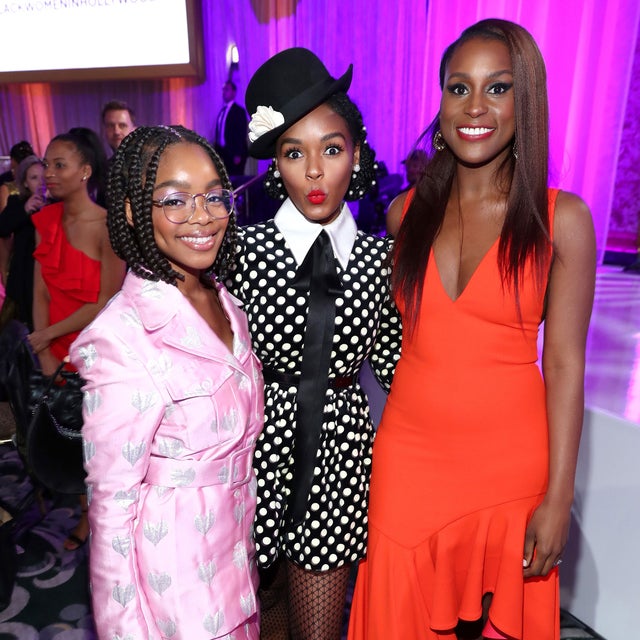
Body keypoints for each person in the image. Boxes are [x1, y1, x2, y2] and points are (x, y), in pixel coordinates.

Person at [349, 19, 596, 640]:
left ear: (526, 100)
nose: (476, 107)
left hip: (509, 469)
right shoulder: (404, 212)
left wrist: (559, 496)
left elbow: (565, 364)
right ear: (440, 101)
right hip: (408, 456)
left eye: (498, 88)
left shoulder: (561, 219)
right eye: (459, 88)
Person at [228, 48, 401, 639]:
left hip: (339, 464)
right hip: (248, 456)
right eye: (293, 152)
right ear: (274, 164)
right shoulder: (240, 256)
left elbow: (403, 371)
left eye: (331, 148)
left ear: (356, 152)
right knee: (253, 620)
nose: (313, 171)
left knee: (318, 634)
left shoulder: (384, 261)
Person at [69, 124, 263, 640]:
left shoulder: (225, 301)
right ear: (133, 209)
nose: (201, 216)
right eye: (174, 199)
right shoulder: (120, 339)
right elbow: (110, 514)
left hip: (238, 570)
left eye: (214, 197)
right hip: (176, 595)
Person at [28, 129, 126, 551]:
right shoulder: (45, 221)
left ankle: (106, 520)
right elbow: (41, 290)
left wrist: (50, 337)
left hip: (96, 351)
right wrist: (45, 349)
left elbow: (108, 301)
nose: (48, 173)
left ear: (85, 171)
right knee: (68, 438)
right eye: (46, 164)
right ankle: (87, 514)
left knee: (100, 443)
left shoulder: (107, 226)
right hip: (53, 351)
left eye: (59, 165)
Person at [0, 155, 46, 329]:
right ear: (25, 183)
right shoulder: (16, 203)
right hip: (23, 274)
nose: (40, 182)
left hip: (48, 274)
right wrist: (25, 210)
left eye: (43, 176)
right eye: (34, 178)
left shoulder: (57, 203)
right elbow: (2, 228)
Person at [213, 80, 249, 176]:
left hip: (234, 154)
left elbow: (241, 133)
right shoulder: (222, 111)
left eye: (227, 89)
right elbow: (220, 132)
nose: (224, 92)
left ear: (234, 92)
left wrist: (238, 154)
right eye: (223, 89)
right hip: (223, 153)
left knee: (236, 180)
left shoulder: (239, 111)